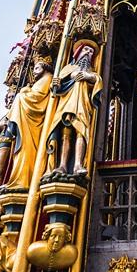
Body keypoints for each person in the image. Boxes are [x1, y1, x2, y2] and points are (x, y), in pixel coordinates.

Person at [45, 39, 102, 175]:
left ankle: (78, 164)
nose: (88, 53)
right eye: (86, 50)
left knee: (80, 132)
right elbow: (57, 89)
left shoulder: (91, 71)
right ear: (78, 51)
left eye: (91, 52)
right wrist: (56, 84)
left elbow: (97, 82)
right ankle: (62, 166)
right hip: (67, 103)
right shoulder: (67, 69)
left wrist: (89, 76)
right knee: (66, 132)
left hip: (82, 104)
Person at [2, 58, 53, 190]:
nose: (34, 72)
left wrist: (22, 93)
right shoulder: (40, 81)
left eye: (37, 68)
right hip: (27, 124)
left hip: (33, 125)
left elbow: (36, 98)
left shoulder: (47, 78)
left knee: (26, 153)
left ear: (45, 68)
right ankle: (19, 181)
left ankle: (23, 182)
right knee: (20, 154)